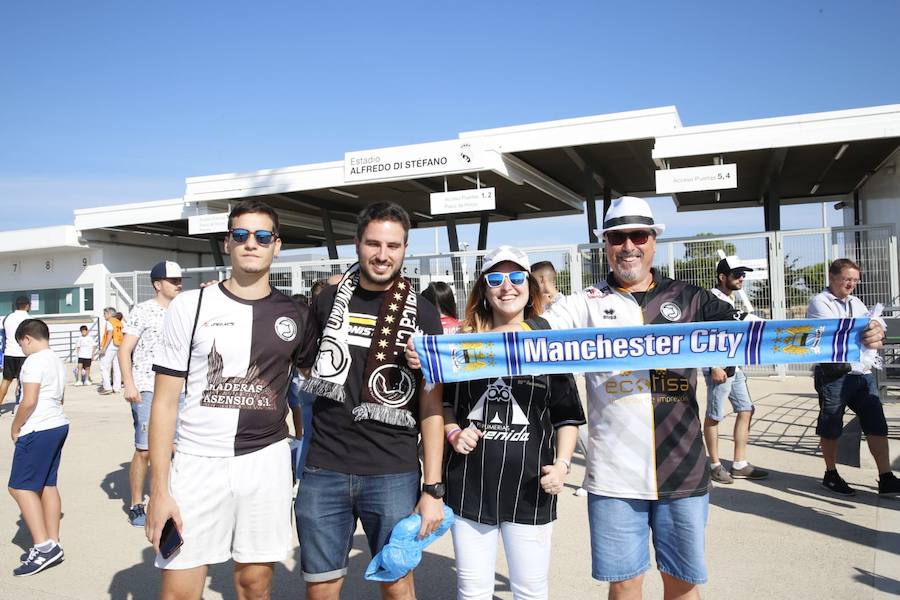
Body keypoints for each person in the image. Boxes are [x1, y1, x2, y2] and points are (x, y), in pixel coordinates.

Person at [407, 197, 884, 599]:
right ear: (605, 245)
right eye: (617, 237)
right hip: (614, 476)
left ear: (654, 240)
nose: (628, 246)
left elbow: (754, 335)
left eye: (638, 235)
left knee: (682, 584)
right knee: (624, 586)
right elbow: (527, 334)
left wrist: (854, 334)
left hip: (683, 469)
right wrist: (440, 354)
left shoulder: (693, 298)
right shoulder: (584, 303)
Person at [146, 200, 316, 599]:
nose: (250, 244)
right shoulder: (191, 305)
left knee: (254, 584)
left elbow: (323, 377)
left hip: (266, 462)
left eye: (261, 236)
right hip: (196, 462)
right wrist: (159, 490)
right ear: (228, 243)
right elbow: (164, 403)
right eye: (240, 235)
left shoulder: (297, 313)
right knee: (178, 588)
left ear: (277, 245)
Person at [297, 201, 445, 600]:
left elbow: (433, 408)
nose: (383, 255)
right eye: (374, 244)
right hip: (324, 466)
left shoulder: (425, 314)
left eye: (393, 246)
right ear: (357, 244)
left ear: (405, 248)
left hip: (392, 471)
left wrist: (433, 489)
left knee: (398, 585)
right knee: (321, 588)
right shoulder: (327, 302)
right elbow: (307, 370)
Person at [442, 245, 585, 599]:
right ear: (484, 290)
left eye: (517, 277)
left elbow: (567, 415)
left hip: (531, 487)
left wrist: (563, 466)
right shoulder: (462, 344)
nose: (507, 286)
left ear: (529, 286)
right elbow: (444, 404)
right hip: (470, 488)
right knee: (472, 590)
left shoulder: (548, 345)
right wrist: (454, 432)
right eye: (496, 278)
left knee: (530, 590)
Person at [807, 258, 900, 497]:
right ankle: (831, 473)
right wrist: (870, 327)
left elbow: (871, 321)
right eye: (847, 279)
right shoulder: (820, 302)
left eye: (855, 280)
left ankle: (886, 476)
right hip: (834, 374)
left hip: (861, 372)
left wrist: (877, 325)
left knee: (876, 423)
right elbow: (839, 330)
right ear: (832, 277)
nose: (851, 285)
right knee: (831, 424)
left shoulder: (855, 302)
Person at [118, 260, 183, 527]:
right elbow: (124, 350)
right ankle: (136, 503)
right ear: (158, 284)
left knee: (178, 448)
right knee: (144, 449)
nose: (178, 285)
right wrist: (129, 384)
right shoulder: (142, 311)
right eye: (173, 281)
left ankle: (173, 497)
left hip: (180, 387)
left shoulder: (184, 310)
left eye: (180, 281)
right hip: (147, 386)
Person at [7, 318, 69, 576]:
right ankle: (53, 542)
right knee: (47, 485)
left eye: (21, 345)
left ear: (27, 338)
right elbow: (61, 396)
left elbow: (29, 400)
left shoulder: (33, 361)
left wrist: (16, 425)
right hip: (57, 424)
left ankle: (44, 548)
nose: (22, 349)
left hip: (38, 427)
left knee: (18, 487)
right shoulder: (56, 360)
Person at [702, 257, 769, 484]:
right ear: (723, 277)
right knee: (714, 415)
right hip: (719, 367)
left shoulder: (729, 300)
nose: (742, 278)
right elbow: (705, 335)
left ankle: (739, 463)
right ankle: (714, 465)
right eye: (737, 274)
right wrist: (714, 365)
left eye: (743, 274)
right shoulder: (710, 300)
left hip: (735, 365)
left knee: (746, 409)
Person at [1, 296, 31, 414]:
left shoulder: (7, 318)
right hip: (23, 353)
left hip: (9, 353)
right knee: (21, 381)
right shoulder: (30, 319)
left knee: (6, 381)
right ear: (28, 305)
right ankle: (18, 407)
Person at [99, 307, 123, 395]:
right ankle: (117, 387)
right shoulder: (119, 322)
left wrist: (104, 348)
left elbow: (109, 335)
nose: (103, 315)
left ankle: (107, 387)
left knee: (103, 366)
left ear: (109, 314)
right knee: (117, 367)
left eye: (104, 313)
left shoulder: (110, 322)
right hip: (119, 345)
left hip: (111, 346)